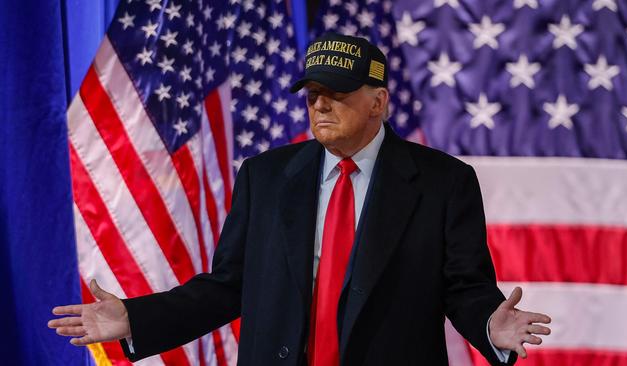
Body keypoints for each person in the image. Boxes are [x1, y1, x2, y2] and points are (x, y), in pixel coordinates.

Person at [49, 33, 551, 366]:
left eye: (335, 91)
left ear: (379, 102)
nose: (319, 103)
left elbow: (464, 288)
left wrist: (490, 324)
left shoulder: (444, 182)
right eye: (312, 91)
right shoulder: (265, 178)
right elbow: (226, 288)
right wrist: (136, 319)